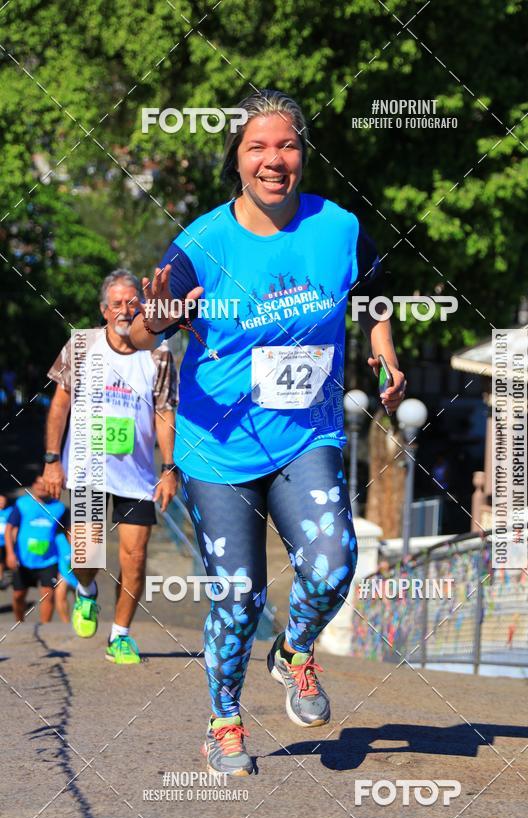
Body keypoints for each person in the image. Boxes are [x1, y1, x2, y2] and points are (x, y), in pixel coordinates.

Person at [131, 89, 405, 776]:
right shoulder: (202, 243)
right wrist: (157, 318)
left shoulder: (338, 228)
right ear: (237, 158)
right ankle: (224, 722)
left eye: (286, 145)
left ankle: (293, 651)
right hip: (218, 448)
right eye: (257, 147)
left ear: (303, 154)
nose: (273, 160)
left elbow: (373, 293)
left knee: (333, 562)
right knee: (237, 594)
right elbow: (142, 330)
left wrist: (384, 351)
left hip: (305, 434)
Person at [43, 268, 179, 664]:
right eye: (116, 303)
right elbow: (60, 405)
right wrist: (52, 461)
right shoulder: (82, 345)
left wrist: (169, 468)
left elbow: (165, 412)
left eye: (132, 302)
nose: (125, 310)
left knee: (134, 557)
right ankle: (86, 591)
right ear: (104, 310)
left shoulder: (159, 353)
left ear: (142, 307)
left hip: (137, 476)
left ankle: (120, 635)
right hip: (87, 469)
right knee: (86, 555)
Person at [4, 476, 69, 622]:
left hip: (48, 560)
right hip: (23, 559)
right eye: (38, 483)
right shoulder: (22, 504)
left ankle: (45, 627)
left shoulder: (59, 508)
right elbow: (9, 529)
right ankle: (19, 623)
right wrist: (10, 553)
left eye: (44, 484)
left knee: (48, 594)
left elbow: (68, 532)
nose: (41, 487)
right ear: (33, 485)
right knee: (18, 595)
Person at [0, 494, 14, 589]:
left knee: (10, 559)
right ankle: (1, 578)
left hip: (9, 540)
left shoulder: (10, 511)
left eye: (3, 501)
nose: (2, 503)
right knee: (0, 560)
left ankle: (15, 576)